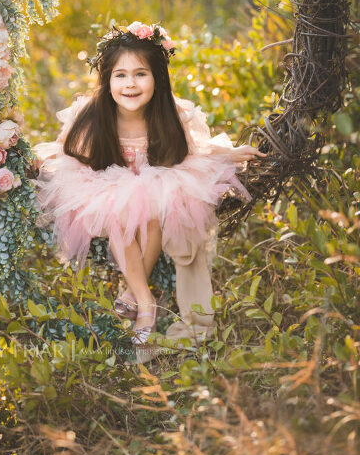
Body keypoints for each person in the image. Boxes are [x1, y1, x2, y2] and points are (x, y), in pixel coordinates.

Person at [32, 21, 266, 354]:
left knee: (153, 205)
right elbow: (70, 149)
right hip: (106, 188)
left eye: (140, 74)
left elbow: (194, 147)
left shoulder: (171, 113)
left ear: (157, 77)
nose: (130, 84)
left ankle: (133, 295)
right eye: (120, 75)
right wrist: (44, 159)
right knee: (121, 208)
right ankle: (145, 302)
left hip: (156, 185)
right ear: (107, 80)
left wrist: (230, 153)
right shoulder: (94, 115)